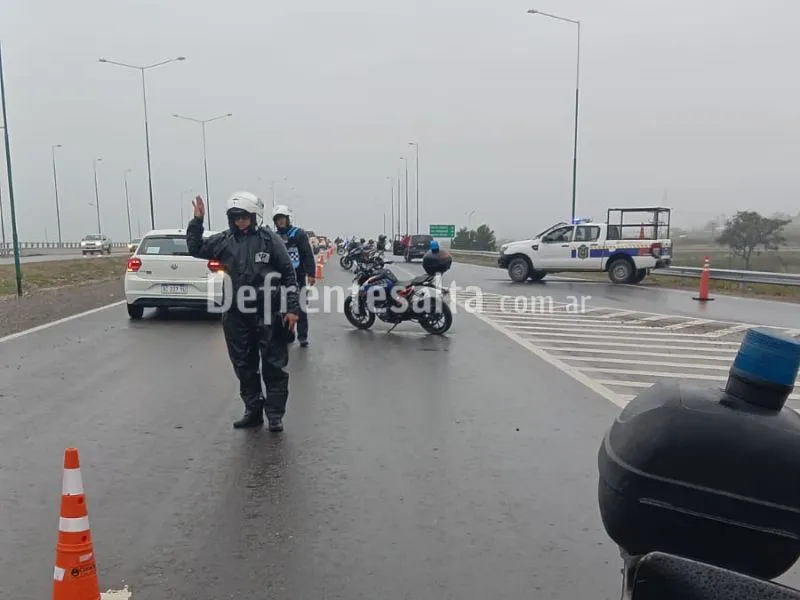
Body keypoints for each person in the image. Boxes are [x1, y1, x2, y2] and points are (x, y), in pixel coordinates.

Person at [186, 192, 300, 432]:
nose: (240, 222)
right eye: (235, 217)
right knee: (244, 364)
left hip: (268, 310)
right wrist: (197, 221)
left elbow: (289, 274)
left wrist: (291, 308)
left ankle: (275, 414)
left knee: (274, 364)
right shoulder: (224, 240)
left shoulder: (269, 239)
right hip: (235, 313)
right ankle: (253, 410)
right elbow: (195, 248)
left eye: (244, 217)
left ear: (254, 216)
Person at [271, 204, 316, 347]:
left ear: (288, 219)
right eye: (278, 219)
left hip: (298, 277)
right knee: (283, 308)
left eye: (283, 219)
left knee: (300, 307)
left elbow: (307, 254)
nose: (281, 222)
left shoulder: (298, 234)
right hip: (280, 279)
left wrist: (311, 273)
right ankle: (288, 334)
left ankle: (303, 336)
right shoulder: (274, 237)